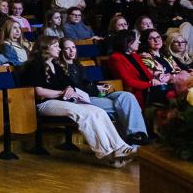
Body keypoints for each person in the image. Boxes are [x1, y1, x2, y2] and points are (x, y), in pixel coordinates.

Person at [23, 37, 137, 167]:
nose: (59, 49)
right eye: (55, 46)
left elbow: (68, 83)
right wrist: (61, 93)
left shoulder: (55, 64)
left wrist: (69, 89)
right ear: (45, 48)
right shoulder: (34, 65)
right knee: (84, 113)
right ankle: (106, 151)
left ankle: (120, 146)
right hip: (45, 103)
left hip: (63, 101)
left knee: (98, 111)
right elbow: (39, 91)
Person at [59, 38, 148, 145]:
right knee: (123, 107)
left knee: (127, 96)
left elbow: (87, 83)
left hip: (96, 94)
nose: (72, 50)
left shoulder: (78, 65)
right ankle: (133, 138)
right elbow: (76, 88)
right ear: (61, 50)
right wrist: (93, 89)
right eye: (67, 48)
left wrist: (98, 87)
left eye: (73, 47)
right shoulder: (60, 68)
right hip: (83, 99)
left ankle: (137, 134)